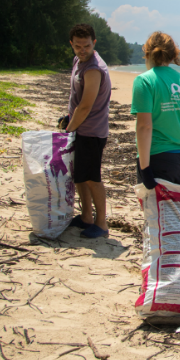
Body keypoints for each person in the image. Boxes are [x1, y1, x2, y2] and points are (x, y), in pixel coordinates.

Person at [62, 24, 112, 239]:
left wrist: (69, 129)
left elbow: (85, 105)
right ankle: (86, 217)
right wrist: (68, 119)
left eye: (87, 46)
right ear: (71, 44)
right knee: (79, 176)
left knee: (92, 178)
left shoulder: (93, 68)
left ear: (94, 43)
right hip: (79, 128)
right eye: (78, 46)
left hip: (92, 131)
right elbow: (75, 96)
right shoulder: (79, 60)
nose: (83, 50)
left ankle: (101, 223)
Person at [130, 32, 180, 189]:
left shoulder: (144, 80)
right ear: (172, 55)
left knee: (154, 212)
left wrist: (145, 169)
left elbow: (144, 126)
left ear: (147, 53)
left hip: (156, 159)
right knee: (176, 211)